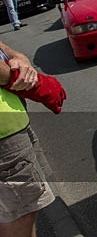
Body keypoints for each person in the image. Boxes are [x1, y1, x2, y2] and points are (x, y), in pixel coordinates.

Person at [0, 39, 55, 236]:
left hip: (10, 124)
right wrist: (13, 76)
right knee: (18, 217)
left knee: (23, 209)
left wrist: (16, 57)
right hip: (5, 138)